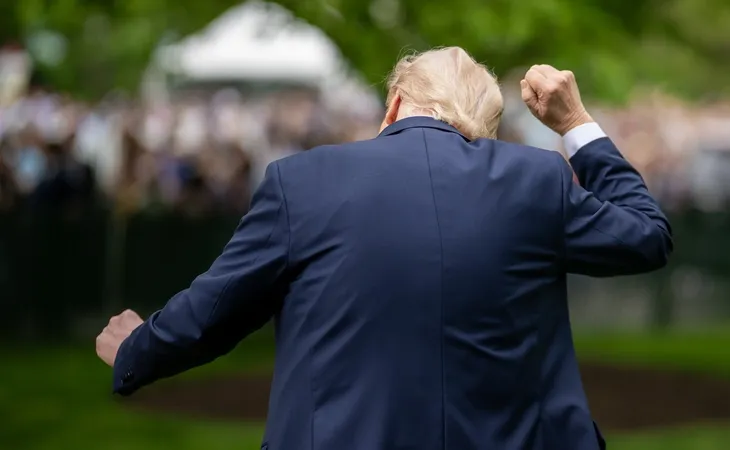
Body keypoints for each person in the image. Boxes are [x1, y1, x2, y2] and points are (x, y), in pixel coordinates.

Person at [96, 47, 672, 450]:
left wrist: (137, 349)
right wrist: (575, 122)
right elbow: (646, 235)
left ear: (394, 104)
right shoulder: (535, 180)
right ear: (484, 126)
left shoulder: (303, 181)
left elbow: (215, 311)